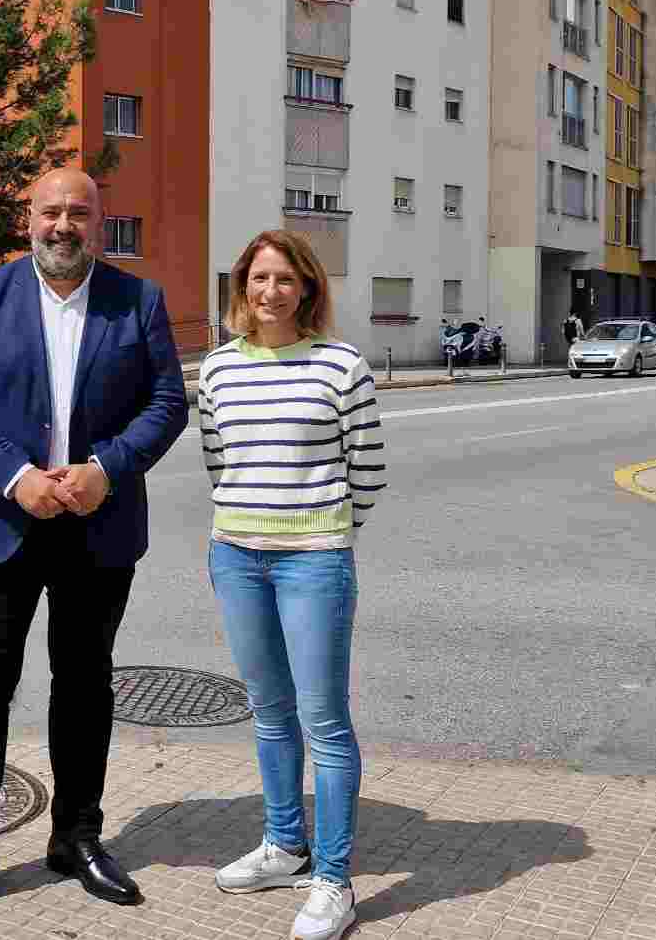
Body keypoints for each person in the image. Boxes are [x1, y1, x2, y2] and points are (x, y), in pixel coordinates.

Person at [0, 168, 189, 926]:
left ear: (99, 223)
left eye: (79, 212)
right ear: (27, 218)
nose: (63, 224)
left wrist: (108, 467)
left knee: (83, 686)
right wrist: (14, 476)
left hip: (98, 528)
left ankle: (76, 837)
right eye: (50, 211)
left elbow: (168, 402)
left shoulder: (137, 301)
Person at [198, 230, 384, 940]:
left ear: (307, 287)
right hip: (236, 556)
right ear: (242, 285)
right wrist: (253, 521)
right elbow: (220, 462)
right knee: (268, 710)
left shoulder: (341, 365)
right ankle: (285, 845)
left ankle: (334, 880)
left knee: (325, 723)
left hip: (314, 560)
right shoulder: (217, 369)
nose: (269, 290)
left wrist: (322, 529)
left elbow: (364, 470)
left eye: (284, 279)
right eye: (257, 277)